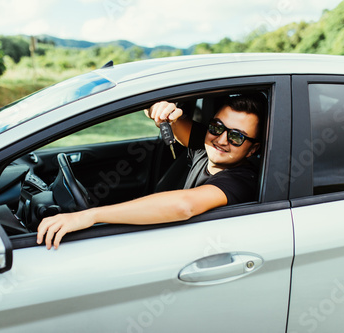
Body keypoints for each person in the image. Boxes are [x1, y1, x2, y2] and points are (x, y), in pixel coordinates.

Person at [37, 92, 266, 249]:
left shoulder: (242, 179)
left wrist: (90, 215)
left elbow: (184, 205)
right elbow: (168, 120)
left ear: (252, 149)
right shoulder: (207, 144)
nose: (222, 139)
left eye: (237, 137)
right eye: (217, 126)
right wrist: (158, 109)